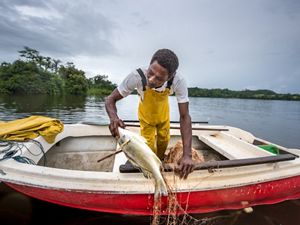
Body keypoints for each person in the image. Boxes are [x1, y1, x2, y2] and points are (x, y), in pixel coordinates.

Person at [105, 48, 194, 179]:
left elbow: (185, 116)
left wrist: (187, 155)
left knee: (164, 140)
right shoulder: (137, 76)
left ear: (170, 76)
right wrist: (114, 118)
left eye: (159, 78)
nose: (151, 80)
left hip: (163, 115)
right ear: (149, 64)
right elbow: (110, 99)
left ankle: (160, 160)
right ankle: (149, 169)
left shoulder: (178, 81)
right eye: (150, 73)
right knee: (148, 145)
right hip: (146, 116)